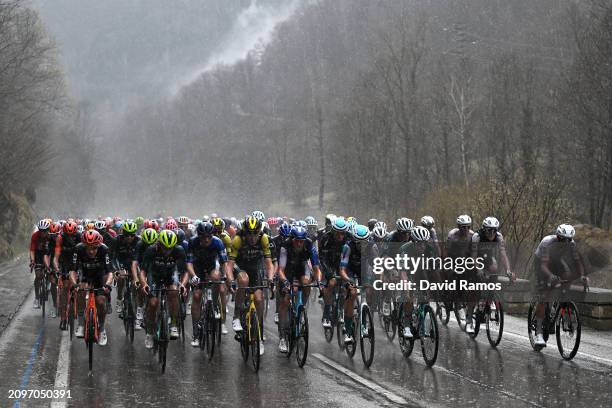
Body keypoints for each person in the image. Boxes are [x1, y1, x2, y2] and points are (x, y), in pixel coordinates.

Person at [532, 224, 587, 347]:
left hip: (556, 261)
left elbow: (578, 263)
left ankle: (555, 307)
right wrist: (551, 276)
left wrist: (582, 276)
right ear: (557, 236)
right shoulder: (547, 243)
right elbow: (544, 265)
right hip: (541, 263)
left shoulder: (571, 244)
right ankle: (539, 333)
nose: (566, 243)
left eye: (569, 240)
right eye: (563, 239)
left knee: (567, 276)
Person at [228, 215, 274, 355]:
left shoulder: (264, 238)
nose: (253, 237)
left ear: (259, 232)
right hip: (240, 266)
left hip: (255, 268)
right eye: (249, 233)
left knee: (259, 300)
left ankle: (259, 337)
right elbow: (229, 264)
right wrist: (230, 279)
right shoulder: (238, 239)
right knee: (243, 280)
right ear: (245, 232)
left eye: (255, 233)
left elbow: (268, 263)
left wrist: (270, 279)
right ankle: (237, 316)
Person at [185, 222, 232, 346]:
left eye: (209, 236)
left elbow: (224, 263)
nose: (206, 239)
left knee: (216, 276)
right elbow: (189, 263)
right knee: (196, 296)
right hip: (197, 268)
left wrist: (226, 276)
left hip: (212, 266)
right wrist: (193, 276)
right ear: (198, 235)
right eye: (203, 237)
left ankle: (215, 305)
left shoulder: (218, 242)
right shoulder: (192, 242)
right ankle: (195, 333)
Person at [139, 230, 187, 348]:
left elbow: (185, 272)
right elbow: (143, 271)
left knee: (174, 292)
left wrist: (183, 284)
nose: (167, 251)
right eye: (164, 247)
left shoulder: (179, 250)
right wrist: (144, 284)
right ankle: (150, 333)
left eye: (170, 248)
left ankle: (173, 324)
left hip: (170, 274)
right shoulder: (151, 250)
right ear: (159, 244)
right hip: (154, 275)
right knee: (153, 303)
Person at [277, 226, 321, 352]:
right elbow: (280, 270)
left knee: (306, 283)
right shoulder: (285, 246)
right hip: (288, 269)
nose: (299, 243)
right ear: (292, 239)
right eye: (297, 240)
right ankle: (282, 337)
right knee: (286, 299)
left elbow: (316, 268)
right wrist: (285, 282)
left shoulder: (309, 244)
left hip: (302, 267)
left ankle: (302, 308)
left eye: (301, 241)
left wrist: (319, 282)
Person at [69, 230, 114, 346]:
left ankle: (102, 329)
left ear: (98, 245)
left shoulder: (104, 249)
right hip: (84, 274)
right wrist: (75, 285)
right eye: (88, 248)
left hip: (99, 274)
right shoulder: (78, 249)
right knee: (80, 292)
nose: (91, 251)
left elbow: (110, 272)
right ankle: (80, 324)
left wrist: (108, 285)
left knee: (100, 301)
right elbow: (73, 271)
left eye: (94, 248)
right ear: (84, 245)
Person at [53, 221, 81, 329]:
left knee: (79, 288)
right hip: (64, 264)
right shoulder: (60, 238)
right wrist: (56, 268)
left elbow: (83, 254)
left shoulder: (79, 236)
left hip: (76, 264)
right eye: (67, 235)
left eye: (72, 235)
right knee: (65, 288)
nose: (70, 237)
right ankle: (63, 318)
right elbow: (56, 256)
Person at [30, 219, 53, 309]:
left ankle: (48, 283)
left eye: (45, 231)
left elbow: (53, 251)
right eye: (41, 231)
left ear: (48, 230)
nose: (43, 233)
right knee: (38, 275)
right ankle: (36, 298)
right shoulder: (35, 236)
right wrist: (32, 261)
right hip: (37, 255)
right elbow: (32, 250)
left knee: (49, 270)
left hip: (48, 254)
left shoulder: (51, 236)